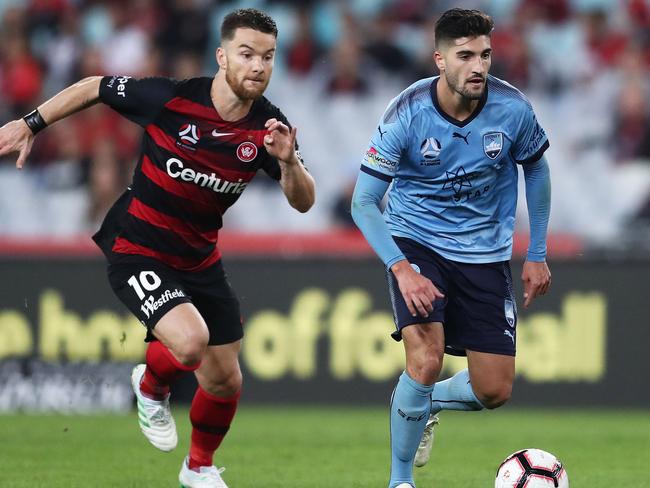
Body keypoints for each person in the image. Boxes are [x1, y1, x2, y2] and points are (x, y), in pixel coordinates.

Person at [0, 8, 315, 488]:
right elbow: (94, 86)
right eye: (247, 54)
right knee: (190, 342)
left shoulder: (270, 129)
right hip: (137, 245)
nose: (257, 66)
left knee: (225, 380)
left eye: (268, 57)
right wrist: (31, 123)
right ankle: (150, 387)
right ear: (222, 55)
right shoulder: (171, 99)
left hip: (199, 258)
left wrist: (290, 163)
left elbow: (303, 203)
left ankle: (199, 468)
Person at [350, 8, 551, 488]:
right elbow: (363, 202)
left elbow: (537, 170)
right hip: (415, 240)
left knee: (494, 390)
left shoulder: (513, 109)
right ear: (440, 59)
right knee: (426, 356)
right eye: (465, 56)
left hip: (484, 252)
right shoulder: (407, 112)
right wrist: (401, 268)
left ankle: (420, 403)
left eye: (484, 54)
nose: (478, 66)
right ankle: (401, 479)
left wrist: (538, 251)